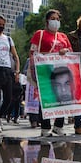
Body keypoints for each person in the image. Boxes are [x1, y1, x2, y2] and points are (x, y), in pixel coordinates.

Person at [29, 9, 72, 137]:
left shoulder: (63, 36)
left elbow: (71, 51)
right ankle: (45, 127)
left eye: (58, 19)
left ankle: (58, 126)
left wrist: (65, 51)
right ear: (47, 21)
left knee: (62, 97)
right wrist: (34, 70)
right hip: (45, 71)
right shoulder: (40, 34)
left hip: (61, 71)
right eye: (53, 18)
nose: (56, 21)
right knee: (46, 99)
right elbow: (32, 53)